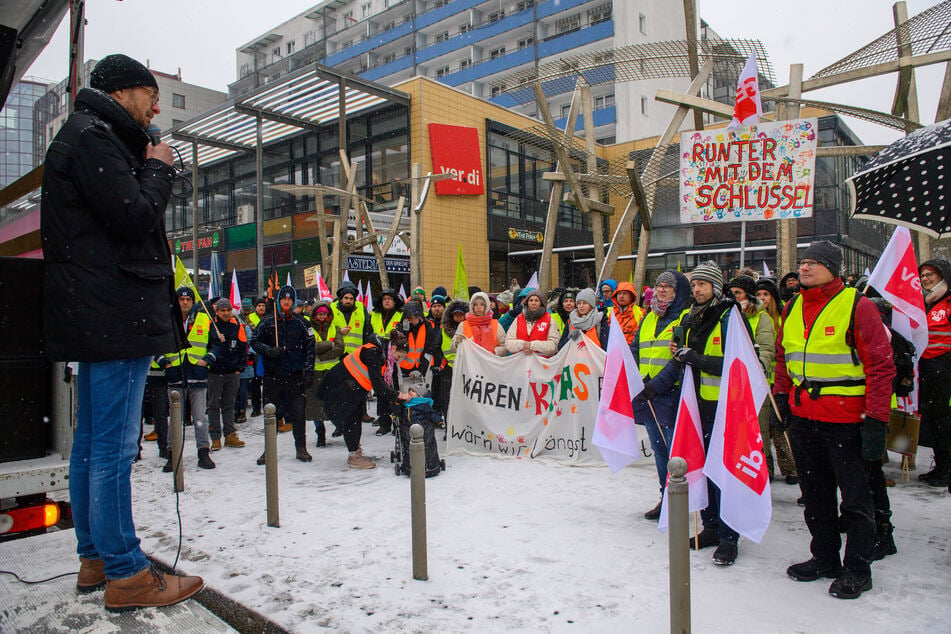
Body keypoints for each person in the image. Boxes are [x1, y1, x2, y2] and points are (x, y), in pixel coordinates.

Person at [40, 53, 202, 610]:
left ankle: (95, 556)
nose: (157, 108)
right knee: (112, 448)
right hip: (115, 313)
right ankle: (127, 570)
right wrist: (158, 167)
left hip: (99, 312)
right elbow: (135, 216)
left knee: (90, 445)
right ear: (123, 92)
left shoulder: (84, 135)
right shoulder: (94, 138)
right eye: (151, 95)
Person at [774, 241, 894, 600]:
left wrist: (876, 420)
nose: (804, 268)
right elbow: (783, 357)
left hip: (846, 419)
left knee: (855, 500)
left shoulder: (859, 305)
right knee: (815, 495)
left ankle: (857, 569)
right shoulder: (794, 305)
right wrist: (782, 396)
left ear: (833, 268)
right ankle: (824, 558)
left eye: (813, 263)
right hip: (804, 417)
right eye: (803, 262)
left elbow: (880, 365)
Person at [672, 261, 743, 566]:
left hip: (723, 405)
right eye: (694, 284)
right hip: (697, 404)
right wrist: (680, 349)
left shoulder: (729, 315)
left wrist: (695, 358)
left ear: (715, 287)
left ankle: (729, 536)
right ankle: (711, 525)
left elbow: (735, 363)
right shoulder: (691, 316)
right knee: (702, 466)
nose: (697, 289)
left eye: (703, 284)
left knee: (723, 470)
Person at [631, 270, 691, 519]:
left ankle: (682, 499)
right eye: (659, 285)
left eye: (668, 286)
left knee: (676, 449)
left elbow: (680, 359)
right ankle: (665, 497)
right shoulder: (649, 317)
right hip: (648, 393)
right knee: (659, 449)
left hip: (671, 392)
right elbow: (635, 348)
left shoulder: (686, 318)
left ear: (679, 292)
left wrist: (659, 383)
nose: (662, 290)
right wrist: (637, 378)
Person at [317, 331, 411, 468]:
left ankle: (355, 451)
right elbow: (378, 383)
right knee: (351, 419)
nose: (398, 360)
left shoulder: (381, 352)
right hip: (341, 387)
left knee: (355, 418)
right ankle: (354, 456)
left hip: (351, 387)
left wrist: (394, 394)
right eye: (398, 356)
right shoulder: (374, 352)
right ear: (394, 348)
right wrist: (397, 395)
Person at [253, 285, 316, 463]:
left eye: (289, 299)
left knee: (298, 414)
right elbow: (255, 341)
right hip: (273, 376)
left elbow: (310, 350)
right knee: (271, 414)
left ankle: (301, 448)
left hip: (295, 376)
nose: (286, 302)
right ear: (278, 301)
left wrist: (309, 371)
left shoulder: (302, 323)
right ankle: (268, 450)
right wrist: (269, 350)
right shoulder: (267, 321)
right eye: (283, 299)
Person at [158, 287, 216, 472]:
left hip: (197, 375)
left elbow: (215, 344)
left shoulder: (204, 319)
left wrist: (208, 359)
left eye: (187, 299)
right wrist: (163, 362)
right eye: (181, 299)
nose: (184, 302)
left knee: (200, 417)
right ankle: (172, 454)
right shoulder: (167, 320)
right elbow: (155, 343)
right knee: (175, 419)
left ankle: (203, 452)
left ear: (193, 302)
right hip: (175, 375)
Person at [727, 275, 777, 480]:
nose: (734, 297)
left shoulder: (761, 317)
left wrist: (757, 370)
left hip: (755, 383)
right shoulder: (728, 315)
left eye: (737, 293)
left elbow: (766, 349)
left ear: (747, 295)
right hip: (733, 385)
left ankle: (765, 470)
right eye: (731, 293)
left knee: (758, 430)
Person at [754, 277, 798, 483]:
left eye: (766, 295)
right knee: (762, 427)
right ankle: (766, 467)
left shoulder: (781, 318)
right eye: (759, 295)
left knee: (779, 426)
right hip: (762, 381)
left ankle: (789, 467)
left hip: (779, 381)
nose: (762, 299)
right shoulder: (755, 317)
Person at [917, 259, 951, 487]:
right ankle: (941, 467)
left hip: (946, 371)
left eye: (931, 274)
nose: (926, 278)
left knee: (946, 422)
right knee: (935, 422)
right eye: (924, 275)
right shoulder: (925, 303)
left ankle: (946, 470)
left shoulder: (947, 302)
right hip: (929, 372)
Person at [206, 298, 248, 452]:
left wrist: (239, 368)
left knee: (229, 404)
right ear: (216, 312)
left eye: (228, 310)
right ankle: (215, 437)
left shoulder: (236, 324)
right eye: (222, 310)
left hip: (232, 372)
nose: (226, 313)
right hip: (215, 372)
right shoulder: (211, 325)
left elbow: (243, 346)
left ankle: (230, 434)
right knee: (213, 405)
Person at [306, 301, 344, 448]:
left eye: (325, 314)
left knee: (335, 402)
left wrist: (321, 354)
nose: (322, 317)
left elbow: (340, 348)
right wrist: (329, 344)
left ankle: (339, 424)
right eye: (319, 314)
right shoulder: (308, 329)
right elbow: (310, 347)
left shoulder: (335, 328)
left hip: (333, 371)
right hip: (315, 372)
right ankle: (320, 433)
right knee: (315, 405)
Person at [505, 289, 559, 356]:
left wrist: (532, 345)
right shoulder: (518, 319)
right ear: (527, 302)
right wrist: (523, 345)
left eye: (536, 300)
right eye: (531, 300)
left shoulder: (549, 320)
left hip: (541, 363)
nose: (533, 303)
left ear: (541, 303)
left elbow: (554, 346)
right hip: (520, 363)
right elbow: (508, 343)